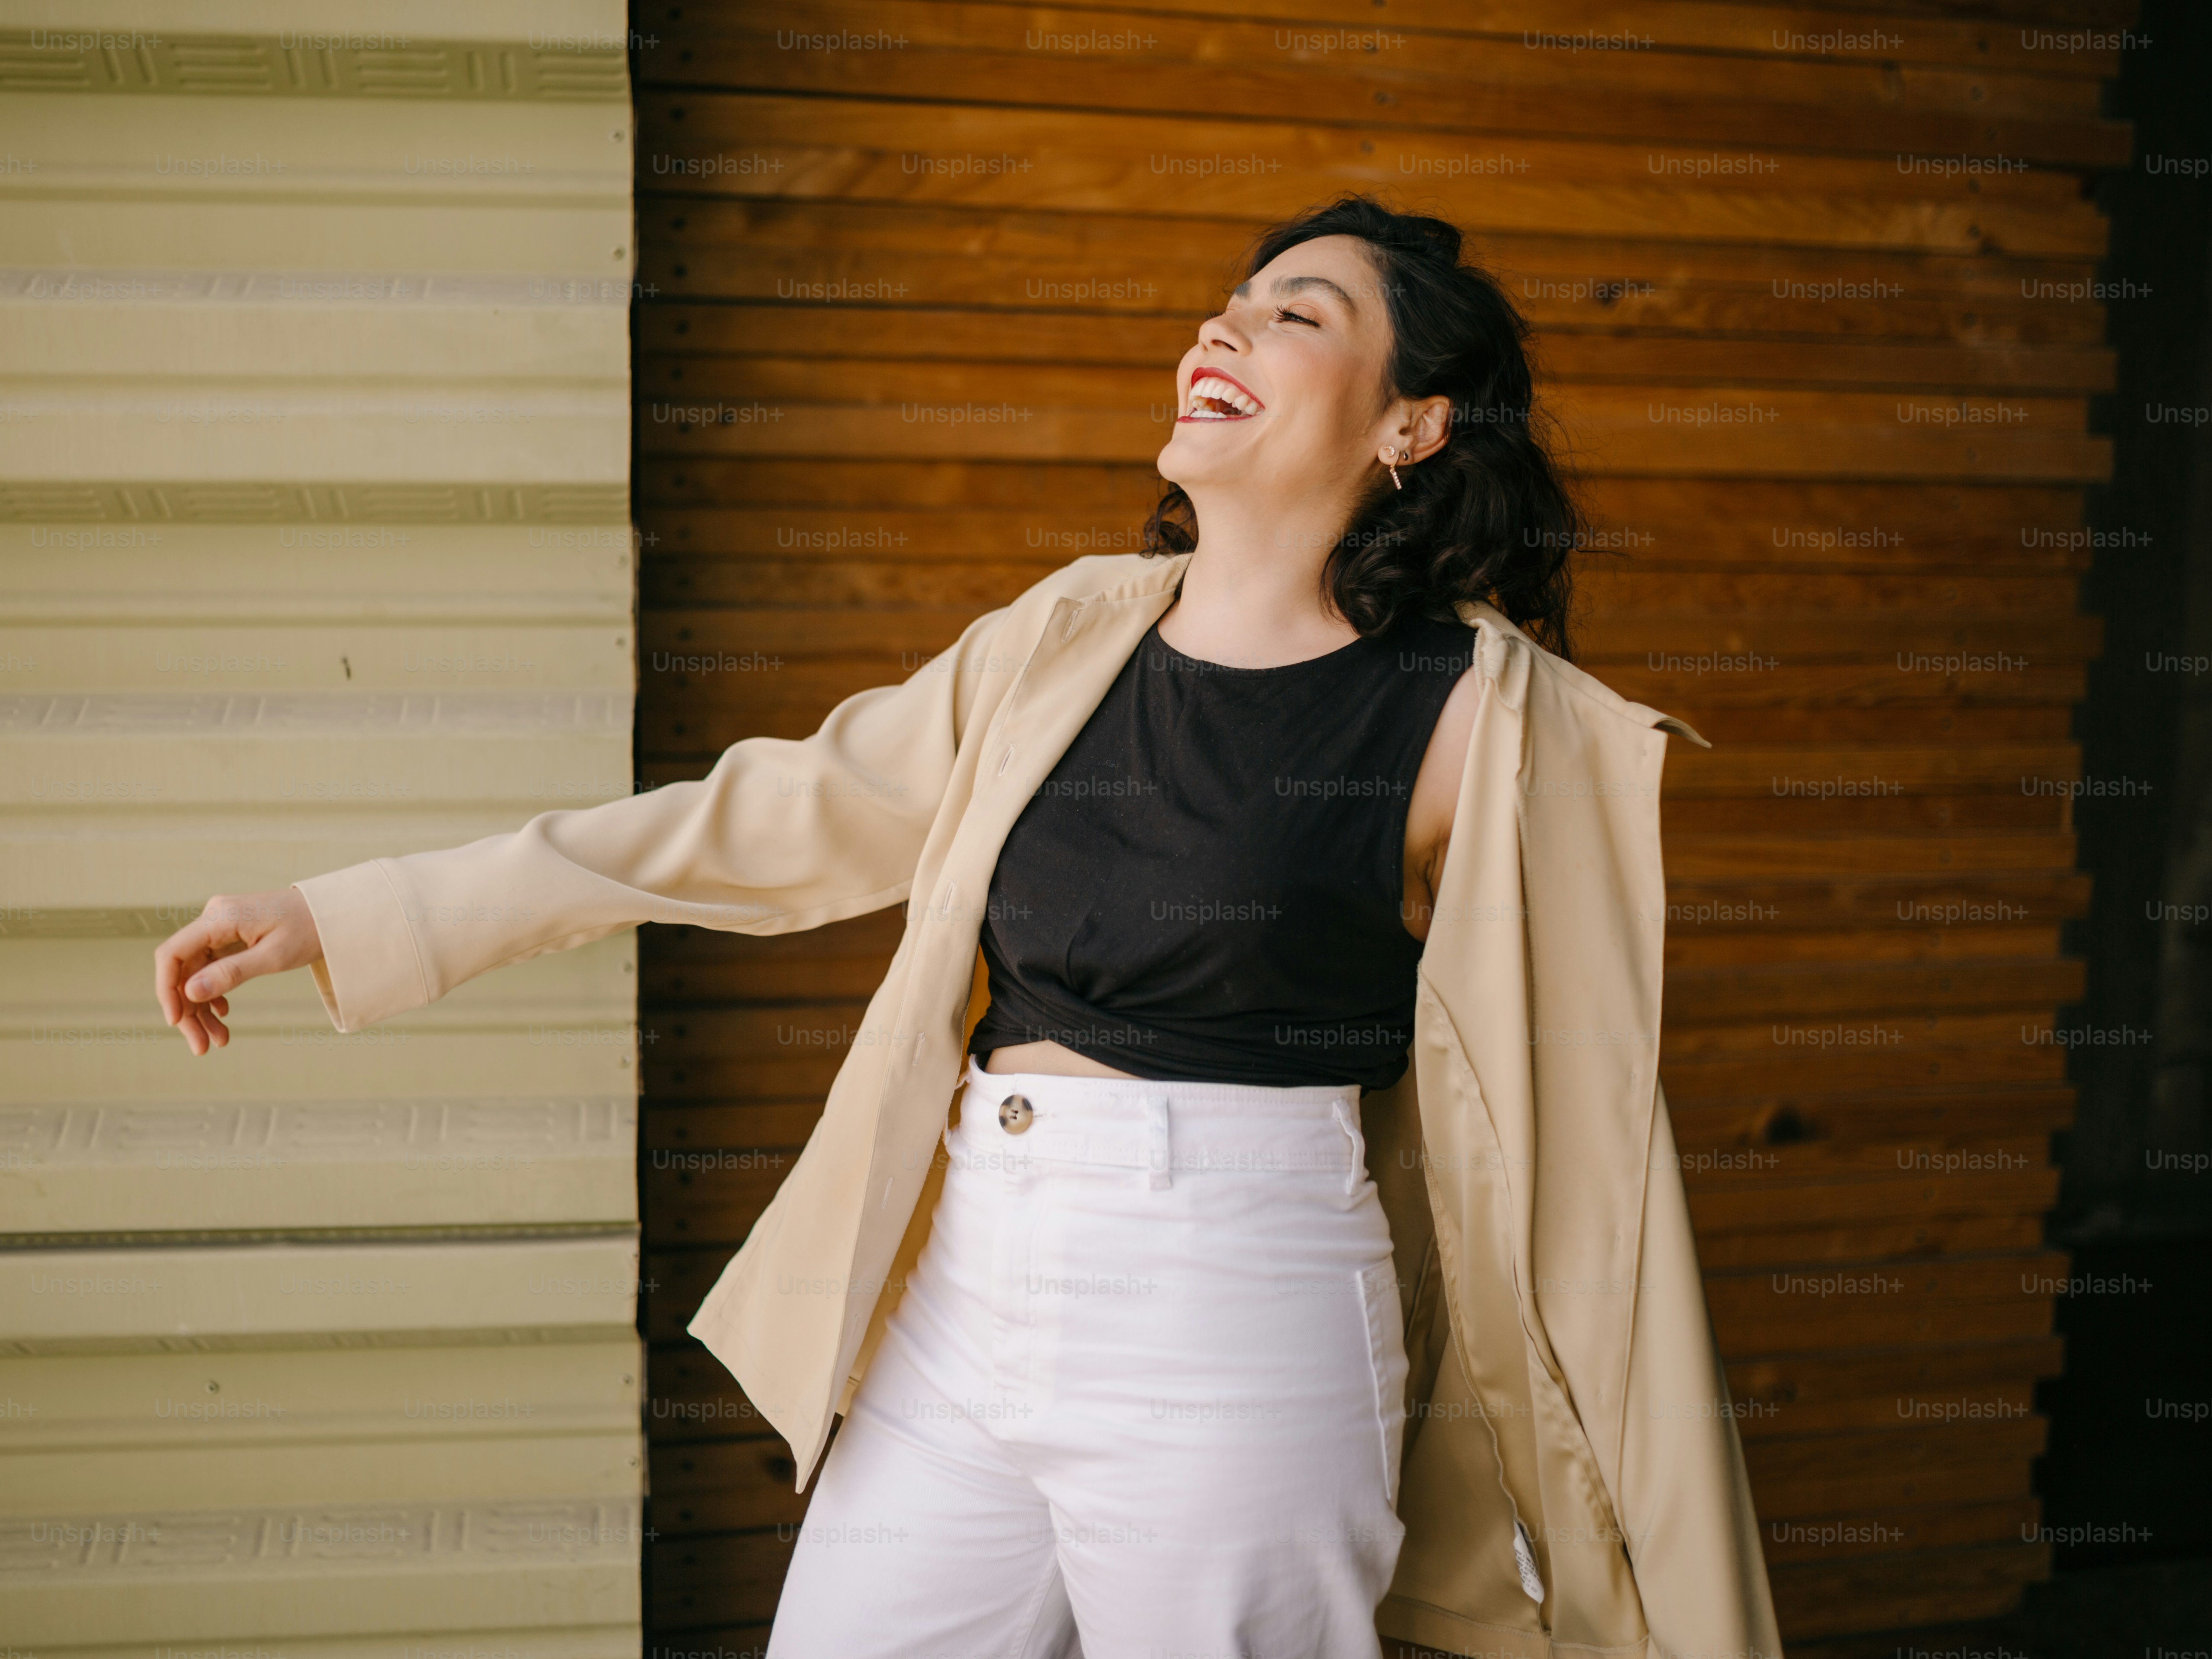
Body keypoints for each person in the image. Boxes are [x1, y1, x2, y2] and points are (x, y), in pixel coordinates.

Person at [154, 197, 1780, 1659]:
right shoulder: (1062, 637)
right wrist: (338, 915)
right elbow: (748, 821)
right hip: (969, 1264)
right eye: (1228, 301)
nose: (1224, 327)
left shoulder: (1482, 723)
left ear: (1413, 422)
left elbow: (1577, 1134)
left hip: (1236, 1294)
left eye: (1296, 314)